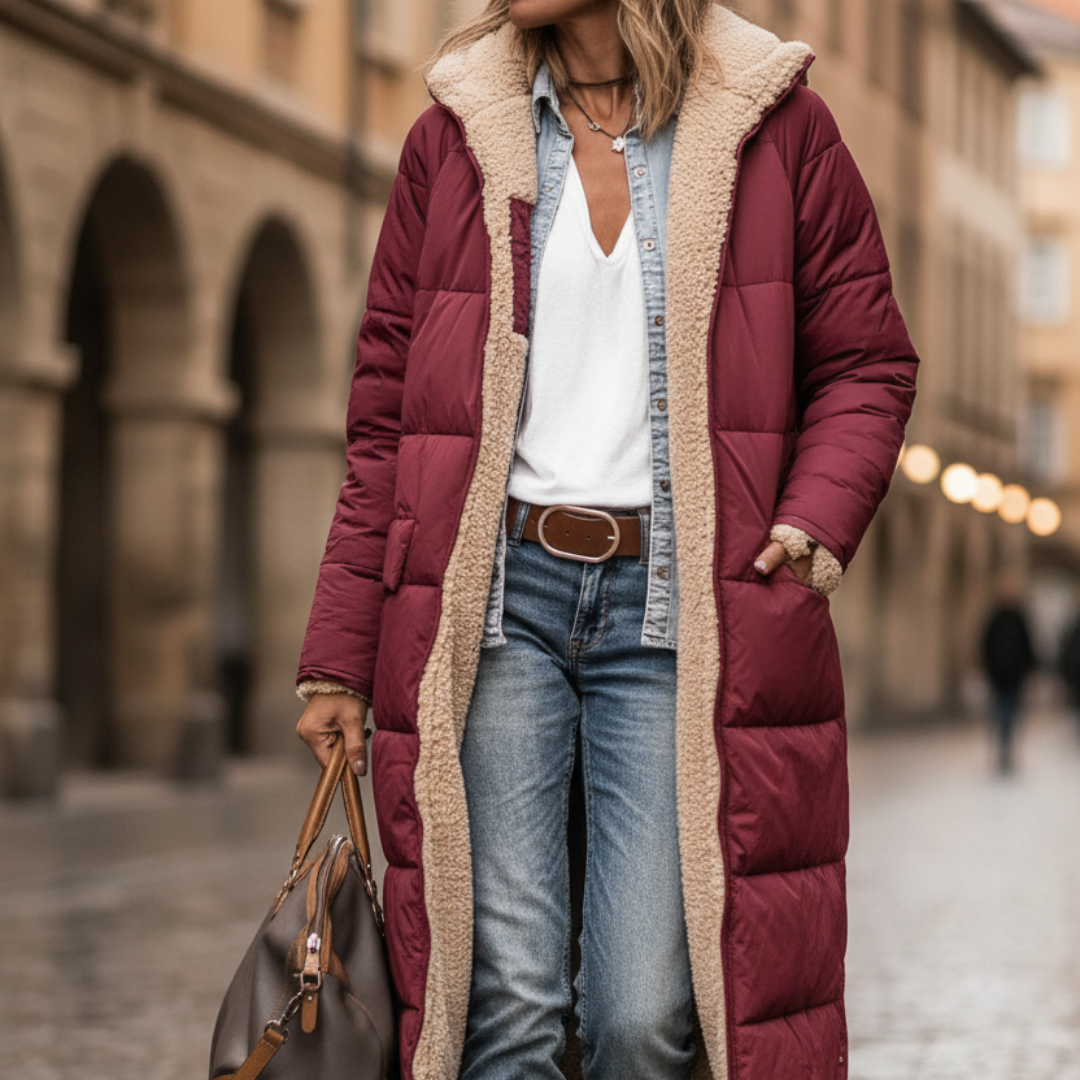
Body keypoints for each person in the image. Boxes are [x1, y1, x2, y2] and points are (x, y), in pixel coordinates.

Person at [293, 2, 918, 1078]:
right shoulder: (455, 132)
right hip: (499, 606)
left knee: (646, 1013)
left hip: (678, 610)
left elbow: (868, 361)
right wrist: (339, 653)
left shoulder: (777, 125)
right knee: (507, 1003)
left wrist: (812, 520)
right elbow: (389, 412)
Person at [981, 579, 1036, 774]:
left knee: (1011, 711)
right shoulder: (996, 618)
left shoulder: (1020, 618)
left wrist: (1029, 670)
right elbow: (986, 645)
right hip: (999, 675)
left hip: (1015, 675)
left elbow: (1028, 646)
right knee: (1001, 711)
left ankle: (1007, 747)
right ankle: (1003, 747)